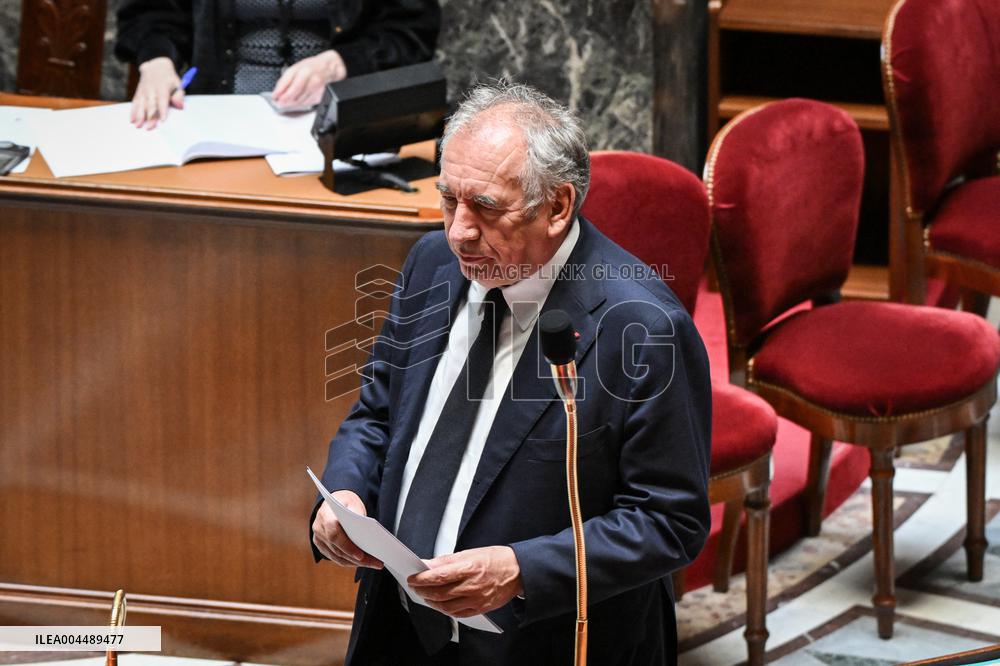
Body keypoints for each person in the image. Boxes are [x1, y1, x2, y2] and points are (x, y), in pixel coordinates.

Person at [310, 82, 712, 666]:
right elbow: (377, 413)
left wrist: (524, 570)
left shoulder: (643, 328)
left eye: (486, 208)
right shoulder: (431, 265)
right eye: (449, 200)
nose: (458, 232)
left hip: (543, 642)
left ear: (557, 206)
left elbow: (669, 520)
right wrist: (343, 494)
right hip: (397, 628)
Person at [114, 0, 440, 128]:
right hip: (215, 115)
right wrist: (156, 59)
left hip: (340, 124)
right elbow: (151, 11)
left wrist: (340, 64)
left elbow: (412, 32)